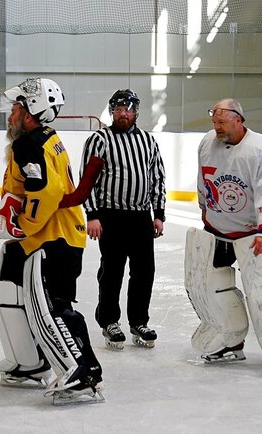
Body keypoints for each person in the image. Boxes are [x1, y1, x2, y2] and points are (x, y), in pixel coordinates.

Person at [0, 78, 104, 405]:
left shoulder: (29, 144)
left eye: (15, 109)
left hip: (54, 238)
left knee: (52, 305)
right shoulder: (39, 138)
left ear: (30, 113)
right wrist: (4, 211)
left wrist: (19, 224)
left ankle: (83, 371)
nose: (10, 115)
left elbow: (46, 192)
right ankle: (28, 362)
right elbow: (30, 190)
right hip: (39, 237)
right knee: (8, 285)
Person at [185, 98, 262, 365]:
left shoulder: (261, 147)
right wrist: (204, 206)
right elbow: (204, 178)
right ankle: (231, 342)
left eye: (222, 122)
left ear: (238, 120)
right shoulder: (207, 142)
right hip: (218, 230)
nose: (217, 127)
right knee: (210, 287)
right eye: (214, 122)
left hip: (254, 234)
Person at [81, 89, 166, 350]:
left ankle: (139, 321)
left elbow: (157, 178)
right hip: (111, 216)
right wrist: (92, 215)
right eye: (118, 109)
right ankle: (109, 321)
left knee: (144, 272)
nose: (123, 114)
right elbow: (88, 180)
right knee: (112, 271)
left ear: (135, 112)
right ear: (112, 112)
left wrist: (158, 214)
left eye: (128, 109)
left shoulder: (148, 141)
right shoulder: (100, 139)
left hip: (141, 217)